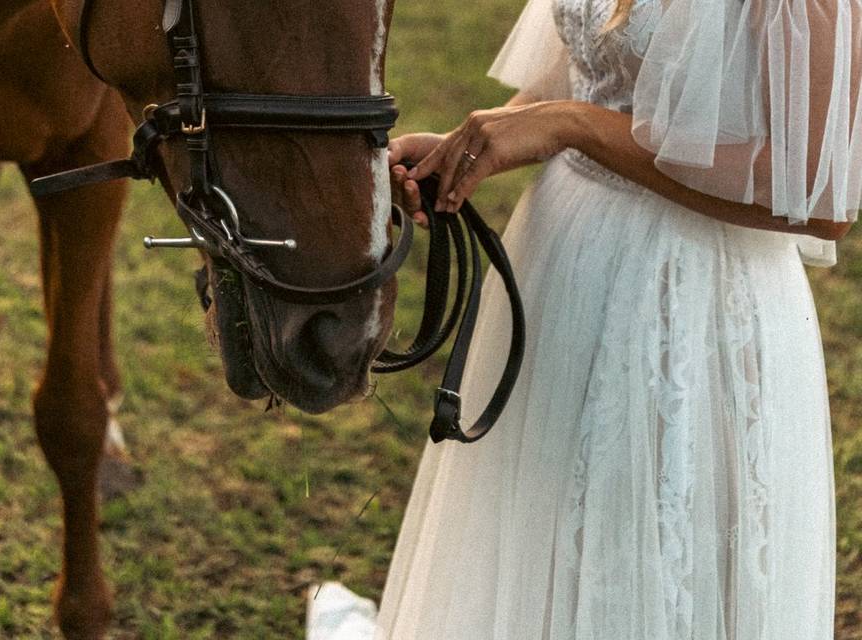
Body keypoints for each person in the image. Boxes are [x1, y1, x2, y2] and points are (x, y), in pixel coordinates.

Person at [348, 0, 861, 638]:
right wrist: (477, 144)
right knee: (544, 535)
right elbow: (593, 70)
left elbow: (819, 188)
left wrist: (573, 126)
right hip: (560, 263)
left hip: (690, 301)